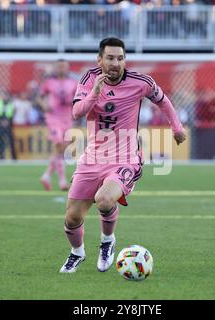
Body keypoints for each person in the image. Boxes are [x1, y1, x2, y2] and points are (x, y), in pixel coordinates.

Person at [59, 37, 187, 273]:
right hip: (93, 158)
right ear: (100, 60)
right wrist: (94, 93)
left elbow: (164, 101)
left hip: (125, 158)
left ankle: (107, 241)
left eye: (120, 58)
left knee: (105, 199)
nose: (115, 63)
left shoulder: (141, 82)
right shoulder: (89, 79)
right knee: (72, 218)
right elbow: (77, 112)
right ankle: (77, 253)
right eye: (110, 58)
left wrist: (177, 128)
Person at [38, 59, 78, 191]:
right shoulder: (49, 82)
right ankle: (62, 180)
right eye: (59, 66)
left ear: (67, 68)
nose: (61, 69)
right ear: (55, 68)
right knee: (58, 145)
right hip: (53, 117)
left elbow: (78, 99)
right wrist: (44, 105)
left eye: (64, 66)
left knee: (61, 150)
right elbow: (40, 97)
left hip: (67, 118)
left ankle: (47, 175)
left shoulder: (73, 83)